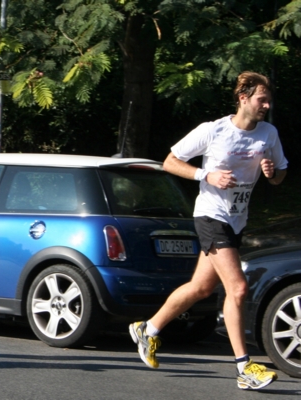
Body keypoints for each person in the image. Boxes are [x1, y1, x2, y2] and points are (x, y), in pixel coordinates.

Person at [129, 71, 288, 390]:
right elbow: (171, 162)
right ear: (243, 99)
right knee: (238, 287)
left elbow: (280, 174)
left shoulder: (268, 134)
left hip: (236, 219)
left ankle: (149, 328)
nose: (267, 105)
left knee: (201, 287)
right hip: (209, 215)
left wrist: (271, 173)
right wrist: (207, 175)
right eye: (261, 99)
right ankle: (244, 368)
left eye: (269, 100)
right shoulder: (213, 131)